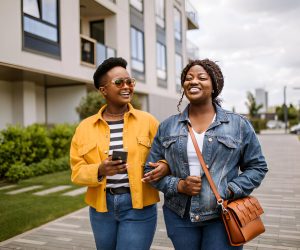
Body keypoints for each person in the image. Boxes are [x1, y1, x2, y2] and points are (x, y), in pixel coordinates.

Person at [143, 59, 268, 250]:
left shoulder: (238, 125)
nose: (193, 81)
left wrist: (231, 189)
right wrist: (179, 185)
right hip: (180, 216)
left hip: (222, 215)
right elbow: (149, 172)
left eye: (201, 77)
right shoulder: (167, 126)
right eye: (188, 78)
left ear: (214, 85)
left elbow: (257, 167)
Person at [70, 57, 169, 250]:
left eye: (129, 81)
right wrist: (100, 169)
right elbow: (77, 171)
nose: (127, 86)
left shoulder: (148, 121)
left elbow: (169, 154)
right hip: (101, 209)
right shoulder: (84, 127)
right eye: (119, 82)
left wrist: (165, 166)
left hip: (139, 207)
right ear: (103, 90)